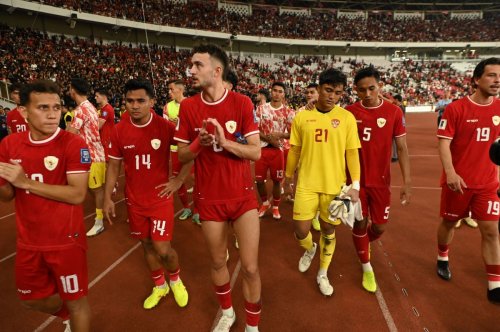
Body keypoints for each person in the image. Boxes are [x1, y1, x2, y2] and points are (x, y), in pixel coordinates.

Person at [175, 44, 262, 332]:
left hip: (243, 197)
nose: (192, 70)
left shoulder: (242, 103)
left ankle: (252, 325)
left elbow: (255, 153)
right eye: (191, 65)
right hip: (209, 199)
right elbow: (182, 155)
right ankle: (227, 312)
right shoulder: (188, 107)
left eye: (198, 65)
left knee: (249, 267)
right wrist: (200, 141)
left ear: (217, 70)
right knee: (217, 262)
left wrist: (224, 143)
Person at [0, 80, 91, 331]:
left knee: (77, 302)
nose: (52, 114)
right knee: (31, 299)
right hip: (28, 241)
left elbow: (77, 194)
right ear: (23, 112)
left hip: (66, 240)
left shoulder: (73, 144)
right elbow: (8, 195)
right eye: (42, 108)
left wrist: (25, 181)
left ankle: (72, 317)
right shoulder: (9, 145)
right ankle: (66, 317)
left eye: (56, 107)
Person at [103, 78, 190, 310]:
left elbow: (190, 151)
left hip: (160, 199)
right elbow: (113, 165)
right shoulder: (119, 130)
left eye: (141, 100)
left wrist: (179, 179)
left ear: (152, 101)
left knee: (163, 248)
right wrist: (107, 197)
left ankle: (175, 279)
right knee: (146, 245)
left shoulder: (165, 127)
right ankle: (159, 285)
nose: (135, 105)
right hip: (134, 201)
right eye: (130, 100)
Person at [286, 68, 361, 296]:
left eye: (338, 93)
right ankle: (310, 249)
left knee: (329, 229)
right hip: (307, 184)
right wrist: (288, 176)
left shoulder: (347, 118)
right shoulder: (302, 116)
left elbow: (352, 153)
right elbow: (295, 150)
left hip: (334, 186)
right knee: (301, 230)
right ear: (318, 89)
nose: (332, 96)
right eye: (328, 90)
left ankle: (323, 272)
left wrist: (355, 185)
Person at [436, 57, 500, 304]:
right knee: (449, 224)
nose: (497, 80)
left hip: (488, 185)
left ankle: (494, 284)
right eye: (491, 75)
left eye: (499, 76)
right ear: (476, 79)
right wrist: (450, 173)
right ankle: (442, 257)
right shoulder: (455, 109)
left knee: (492, 231)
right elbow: (444, 143)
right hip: (459, 183)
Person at [345, 67, 411, 293]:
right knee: (360, 223)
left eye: (372, 88)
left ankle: (362, 243)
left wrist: (407, 181)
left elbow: (401, 148)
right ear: (356, 90)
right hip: (355, 182)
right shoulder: (348, 112)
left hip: (381, 182)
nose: (368, 94)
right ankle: (366, 268)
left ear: (379, 86)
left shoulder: (393, 112)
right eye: (362, 90)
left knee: (380, 227)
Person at [67, 78, 107, 237]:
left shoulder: (80, 110)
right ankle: (99, 217)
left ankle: (99, 222)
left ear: (73, 90)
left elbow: (71, 134)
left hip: (92, 156)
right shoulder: (90, 106)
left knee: (96, 190)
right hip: (93, 154)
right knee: (94, 189)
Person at [255, 82, 295, 220]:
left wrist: (280, 135)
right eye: (275, 90)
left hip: (278, 151)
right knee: (259, 180)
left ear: (284, 94)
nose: (277, 94)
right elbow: (255, 128)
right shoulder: (261, 109)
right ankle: (265, 203)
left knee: (277, 181)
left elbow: (292, 134)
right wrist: (268, 138)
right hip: (262, 149)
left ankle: (276, 207)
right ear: (271, 92)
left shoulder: (289, 112)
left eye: (280, 91)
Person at [163, 80, 195, 222]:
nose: (169, 92)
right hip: (175, 148)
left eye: (171, 89)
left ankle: (199, 211)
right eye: (169, 89)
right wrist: (175, 126)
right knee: (178, 180)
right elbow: (166, 127)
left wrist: (179, 124)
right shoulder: (167, 107)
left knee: (197, 179)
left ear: (180, 90)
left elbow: (196, 126)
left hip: (192, 148)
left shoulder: (192, 104)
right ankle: (187, 208)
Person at [295, 83, 320, 230]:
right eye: (307, 93)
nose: (309, 95)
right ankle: (307, 214)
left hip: (323, 159)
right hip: (305, 158)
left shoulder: (328, 110)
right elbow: (295, 137)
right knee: (305, 189)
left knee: (320, 189)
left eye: (312, 92)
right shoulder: (300, 112)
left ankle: (316, 217)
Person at [94, 88, 115, 160]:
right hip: (104, 139)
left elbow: (98, 126)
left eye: (97, 96)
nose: (95, 98)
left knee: (107, 164)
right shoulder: (103, 109)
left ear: (103, 97)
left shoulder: (107, 109)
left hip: (106, 140)